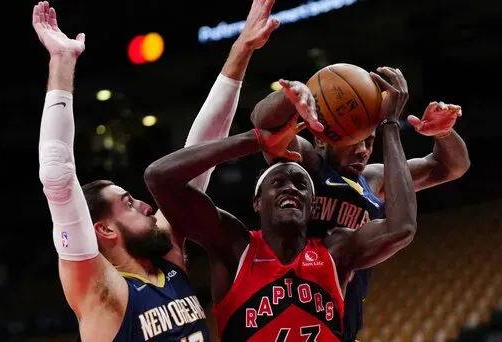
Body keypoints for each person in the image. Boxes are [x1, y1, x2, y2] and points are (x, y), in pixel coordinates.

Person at [33, 0, 279, 340]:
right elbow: (57, 176)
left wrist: (243, 47)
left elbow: (200, 154)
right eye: (129, 203)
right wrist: (61, 62)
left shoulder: (167, 256)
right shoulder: (101, 291)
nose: (147, 206)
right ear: (104, 230)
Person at [143, 69, 417, 341]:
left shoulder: (335, 251)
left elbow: (401, 227)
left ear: (311, 206)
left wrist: (390, 124)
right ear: (257, 202)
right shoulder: (235, 248)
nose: (290, 187)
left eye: (301, 184)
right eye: (278, 182)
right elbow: (159, 177)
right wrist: (257, 139)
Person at [250, 69, 470, 341]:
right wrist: (290, 98)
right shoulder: (306, 164)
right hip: (287, 309)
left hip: (341, 324)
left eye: (369, 141)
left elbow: (452, 166)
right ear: (323, 138)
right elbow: (264, 124)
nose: (363, 151)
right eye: (355, 140)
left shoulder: (374, 179)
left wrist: (445, 133)